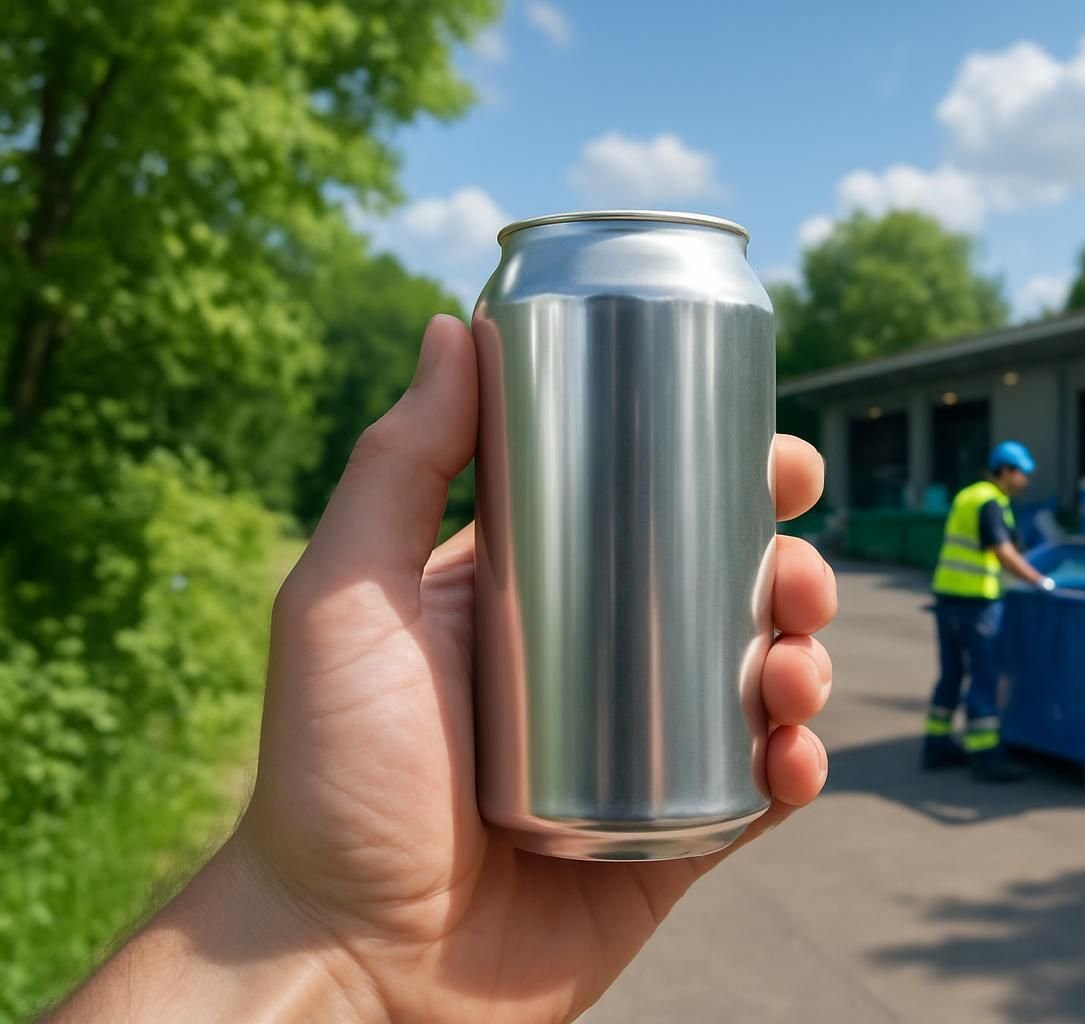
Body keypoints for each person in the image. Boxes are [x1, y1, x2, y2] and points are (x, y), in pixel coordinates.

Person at [45, 316, 839, 1023]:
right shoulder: (539, 299)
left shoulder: (662, 299)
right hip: (467, 846)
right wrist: (317, 924)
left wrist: (315, 941)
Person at [923, 440, 1056, 783]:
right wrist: (1040, 581)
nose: (1025, 481)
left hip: (947, 596)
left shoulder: (968, 495)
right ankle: (985, 755)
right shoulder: (991, 502)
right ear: (1007, 471)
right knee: (984, 675)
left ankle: (936, 744)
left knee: (951, 674)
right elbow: (1004, 552)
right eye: (1022, 473)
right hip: (976, 603)